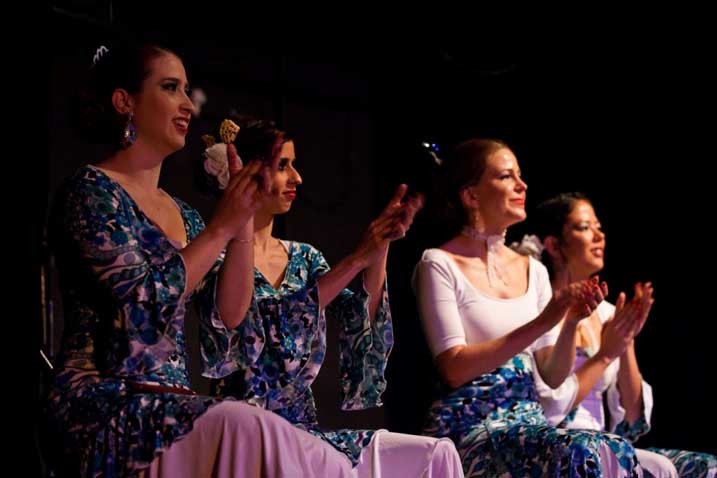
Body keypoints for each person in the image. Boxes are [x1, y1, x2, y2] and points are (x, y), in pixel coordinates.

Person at [46, 43, 366, 477]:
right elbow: (140, 304)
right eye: (170, 88)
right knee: (249, 426)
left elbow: (230, 314)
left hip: (173, 402)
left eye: (186, 90)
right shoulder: (92, 190)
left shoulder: (187, 215)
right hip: (106, 403)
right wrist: (219, 228)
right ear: (125, 101)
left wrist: (240, 226)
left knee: (309, 449)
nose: (186, 105)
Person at [199, 118, 465, 477]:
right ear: (244, 173)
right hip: (244, 429)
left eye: (294, 165)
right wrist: (356, 259)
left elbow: (359, 322)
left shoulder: (305, 258)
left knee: (431, 455)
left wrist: (380, 246)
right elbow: (259, 325)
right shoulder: (215, 254)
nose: (297, 178)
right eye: (283, 166)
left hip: (303, 428)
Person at [411, 138, 646, 477]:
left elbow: (551, 374)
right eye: (507, 176)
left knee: (614, 450)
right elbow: (454, 368)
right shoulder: (439, 264)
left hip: (528, 424)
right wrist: (545, 320)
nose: (522, 185)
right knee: (581, 450)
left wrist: (569, 324)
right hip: (470, 425)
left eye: (520, 175)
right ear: (471, 194)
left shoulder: (532, 269)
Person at [530, 192, 717, 478]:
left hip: (606, 440)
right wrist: (604, 356)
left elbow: (631, 418)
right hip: (558, 440)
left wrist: (625, 339)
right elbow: (550, 406)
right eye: (583, 227)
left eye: (599, 227)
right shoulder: (542, 309)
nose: (598, 236)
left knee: (706, 467)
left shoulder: (606, 314)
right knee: (657, 467)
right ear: (554, 245)